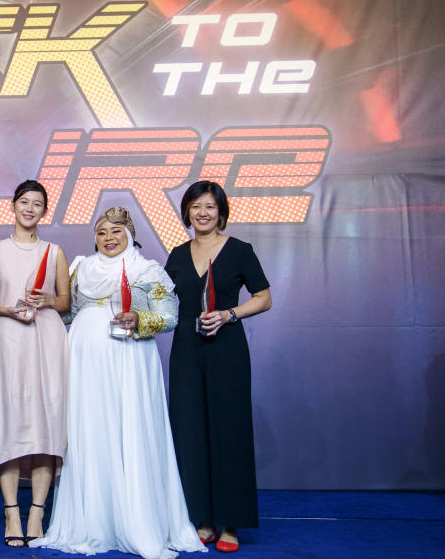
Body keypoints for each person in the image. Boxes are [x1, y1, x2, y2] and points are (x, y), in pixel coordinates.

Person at [32, 206, 205, 559]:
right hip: (83, 360)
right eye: (102, 233)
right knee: (89, 431)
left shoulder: (146, 269)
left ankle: (136, 519)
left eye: (116, 232)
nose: (109, 239)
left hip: (128, 359)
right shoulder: (82, 267)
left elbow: (169, 316)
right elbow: (72, 312)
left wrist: (139, 319)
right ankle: (91, 521)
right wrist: (51, 304)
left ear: (129, 235)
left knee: (130, 430)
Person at [164, 181, 272, 553]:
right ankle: (202, 518)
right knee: (189, 430)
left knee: (230, 431)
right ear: (187, 212)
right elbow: (161, 302)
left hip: (227, 348)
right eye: (196, 206)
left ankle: (230, 522)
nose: (203, 213)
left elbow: (264, 297)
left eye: (210, 206)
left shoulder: (240, 251)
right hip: (186, 351)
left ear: (221, 211)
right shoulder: (177, 254)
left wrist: (230, 314)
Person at [0, 180, 70, 548]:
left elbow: (65, 302)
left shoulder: (55, 251)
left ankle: (37, 511)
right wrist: (8, 309)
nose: (30, 209)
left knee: (47, 420)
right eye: (24, 202)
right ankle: (12, 509)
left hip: (46, 338)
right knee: (10, 420)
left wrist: (48, 300)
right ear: (12, 205)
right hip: (10, 337)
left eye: (37, 204)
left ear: (44, 211)